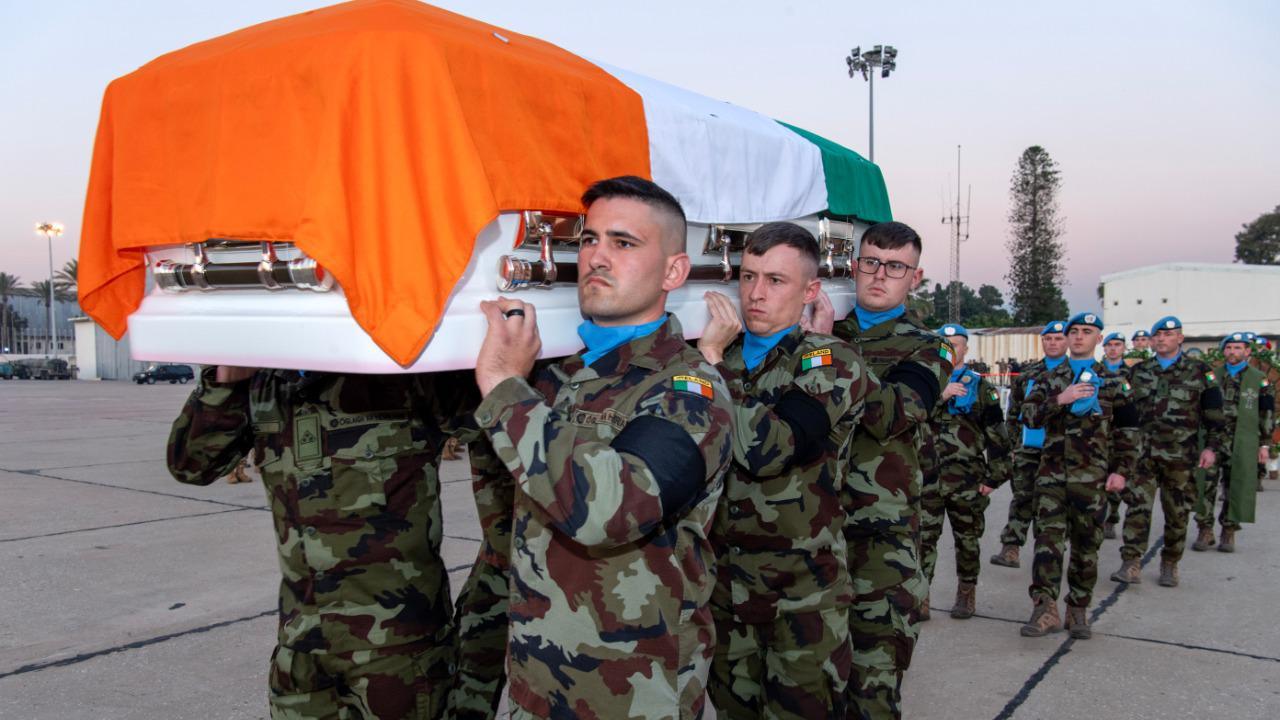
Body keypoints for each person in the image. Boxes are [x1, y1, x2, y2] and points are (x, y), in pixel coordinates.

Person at [467, 175, 733, 718]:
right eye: (588, 240)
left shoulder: (690, 390)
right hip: (533, 681)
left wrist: (502, 386)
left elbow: (611, 510)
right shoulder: (553, 373)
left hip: (632, 692)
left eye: (624, 243)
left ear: (674, 271)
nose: (596, 258)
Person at [167, 367, 475, 719]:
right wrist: (224, 381)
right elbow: (191, 465)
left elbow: (487, 416)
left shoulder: (401, 368)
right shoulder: (263, 382)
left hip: (398, 654)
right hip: (301, 650)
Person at [696, 222, 871, 719]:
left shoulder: (830, 361)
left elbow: (768, 449)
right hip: (724, 592)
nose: (755, 293)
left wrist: (711, 361)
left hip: (802, 599)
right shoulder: (714, 353)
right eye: (748, 276)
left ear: (810, 290)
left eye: (776, 280)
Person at [812, 220, 951, 719]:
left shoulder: (928, 349)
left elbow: (889, 414)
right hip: (812, 532)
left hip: (881, 543)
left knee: (873, 686)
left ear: (915, 278)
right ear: (853, 266)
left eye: (895, 267)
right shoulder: (820, 328)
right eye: (870, 262)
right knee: (809, 683)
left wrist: (826, 351)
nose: (879, 275)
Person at [1002, 312, 1139, 638]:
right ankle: (1044, 608)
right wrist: (1059, 399)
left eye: (1086, 331)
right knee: (1047, 545)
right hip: (1050, 476)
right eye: (1073, 331)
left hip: (1092, 479)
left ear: (1099, 339)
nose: (1078, 336)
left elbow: (1128, 431)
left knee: (1085, 548)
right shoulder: (1051, 377)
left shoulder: (1114, 381)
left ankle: (1078, 609)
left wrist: (1121, 471)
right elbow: (1029, 416)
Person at [1110, 316, 1227, 588]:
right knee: (1137, 507)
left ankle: (1170, 562)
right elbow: (1122, 413)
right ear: (1151, 341)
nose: (1162, 339)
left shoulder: (1200, 372)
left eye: (1168, 334)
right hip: (1142, 456)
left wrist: (1211, 447)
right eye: (1157, 335)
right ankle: (1131, 561)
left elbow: (1214, 415)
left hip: (1181, 458)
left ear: (1180, 338)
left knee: (1177, 513)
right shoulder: (1137, 372)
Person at [921, 324, 1012, 619]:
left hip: (967, 481)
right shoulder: (923, 383)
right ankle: (921, 596)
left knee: (968, 541)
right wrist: (941, 396)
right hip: (928, 479)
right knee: (922, 540)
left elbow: (997, 435)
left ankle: (966, 593)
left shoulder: (981, 387)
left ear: (965, 350)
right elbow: (909, 420)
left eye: (955, 344)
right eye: (943, 344)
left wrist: (994, 478)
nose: (949, 349)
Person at [990, 321, 1067, 567]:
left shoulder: (1076, 375)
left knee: (1055, 502)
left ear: (1066, 341)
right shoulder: (1027, 375)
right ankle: (1011, 547)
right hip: (1028, 449)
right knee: (1022, 497)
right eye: (1048, 339)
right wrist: (1012, 447)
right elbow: (1013, 415)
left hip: (1060, 452)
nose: (1052, 343)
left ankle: (1051, 547)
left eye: (1057, 338)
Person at [1191, 333, 1275, 553]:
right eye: (1229, 348)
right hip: (1212, 441)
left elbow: (1266, 412)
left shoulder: (1259, 379)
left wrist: (1265, 444)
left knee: (1235, 485)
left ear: (1247, 352)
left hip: (1242, 440)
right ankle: (1204, 528)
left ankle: (1228, 530)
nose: (1232, 352)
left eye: (1238, 348)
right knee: (1205, 484)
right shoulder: (1211, 376)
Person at [1100, 331, 1131, 539]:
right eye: (1109, 345)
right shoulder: (1092, 372)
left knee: (1118, 473)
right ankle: (1104, 517)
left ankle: (1111, 518)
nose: (1113, 348)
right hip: (1099, 434)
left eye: (1117, 344)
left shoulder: (1133, 374)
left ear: (1123, 348)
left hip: (1120, 432)